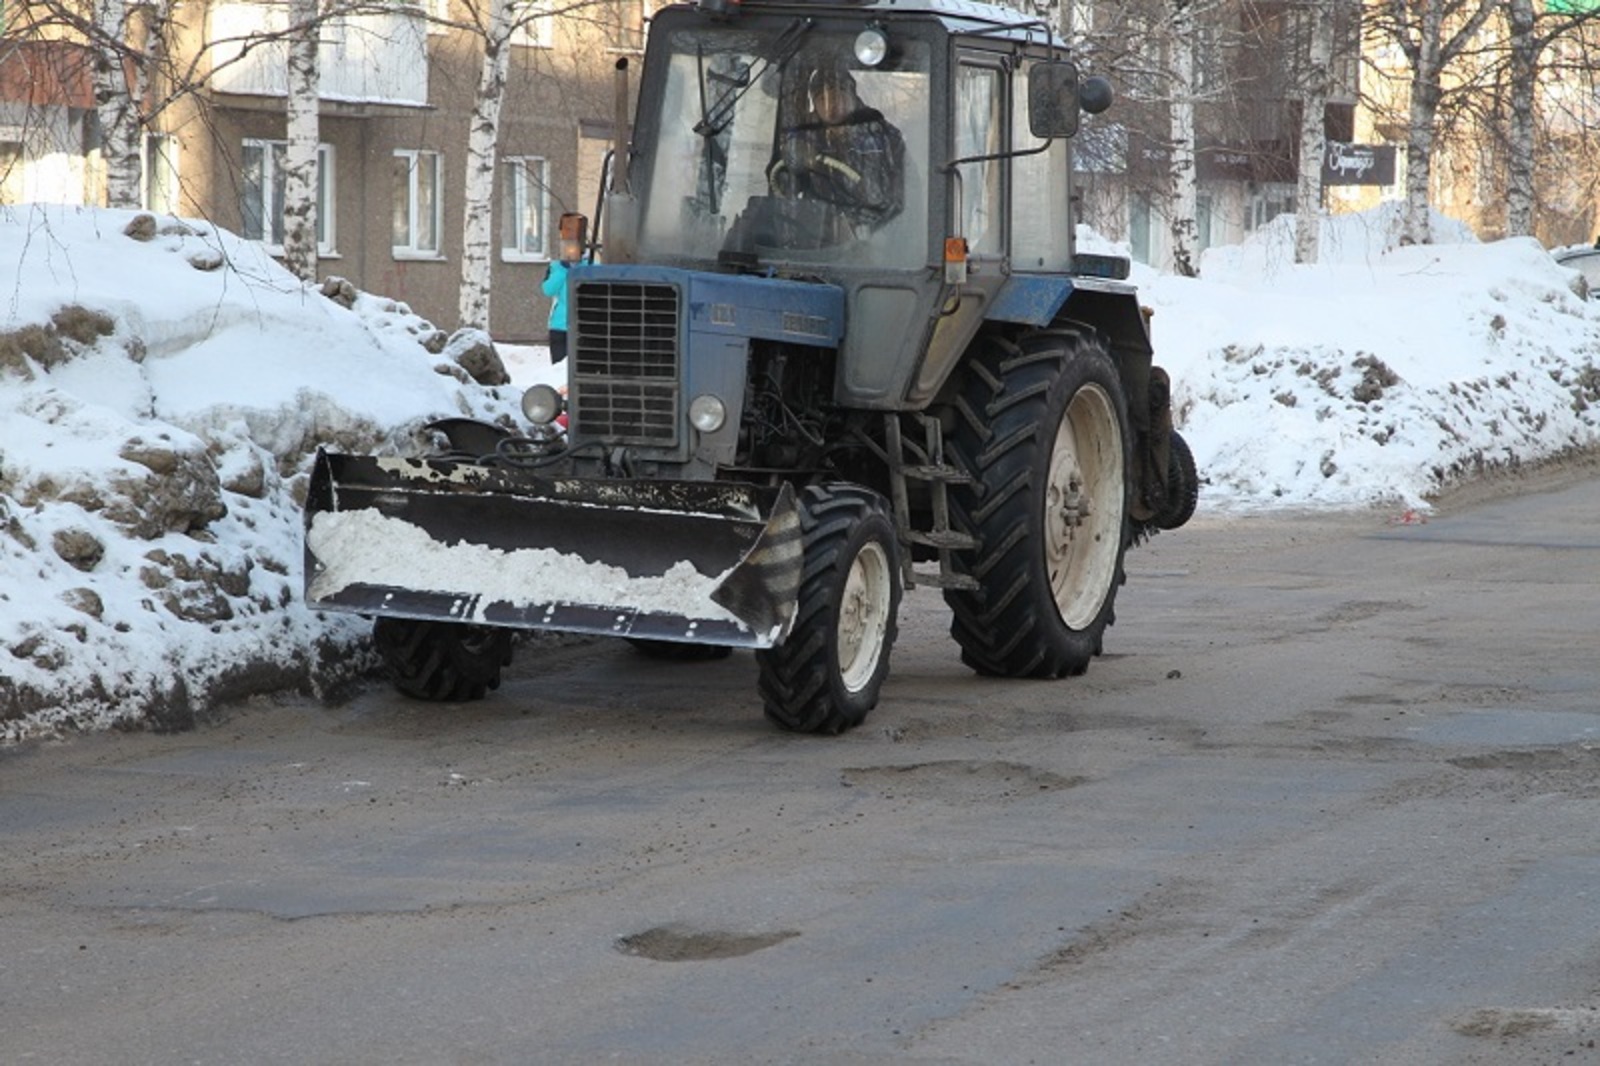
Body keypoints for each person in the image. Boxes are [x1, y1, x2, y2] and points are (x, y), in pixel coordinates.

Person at [769, 66, 905, 232]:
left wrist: (817, 163)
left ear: (852, 95)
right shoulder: (805, 135)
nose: (831, 103)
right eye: (821, 98)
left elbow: (877, 196)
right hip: (818, 231)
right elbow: (784, 189)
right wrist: (789, 159)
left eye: (838, 93)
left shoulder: (880, 135)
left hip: (878, 231)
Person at [542, 255, 574, 365]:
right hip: (560, 326)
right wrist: (563, 270)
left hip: (584, 326)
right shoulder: (556, 267)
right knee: (559, 367)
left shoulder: (592, 265)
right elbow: (548, 290)